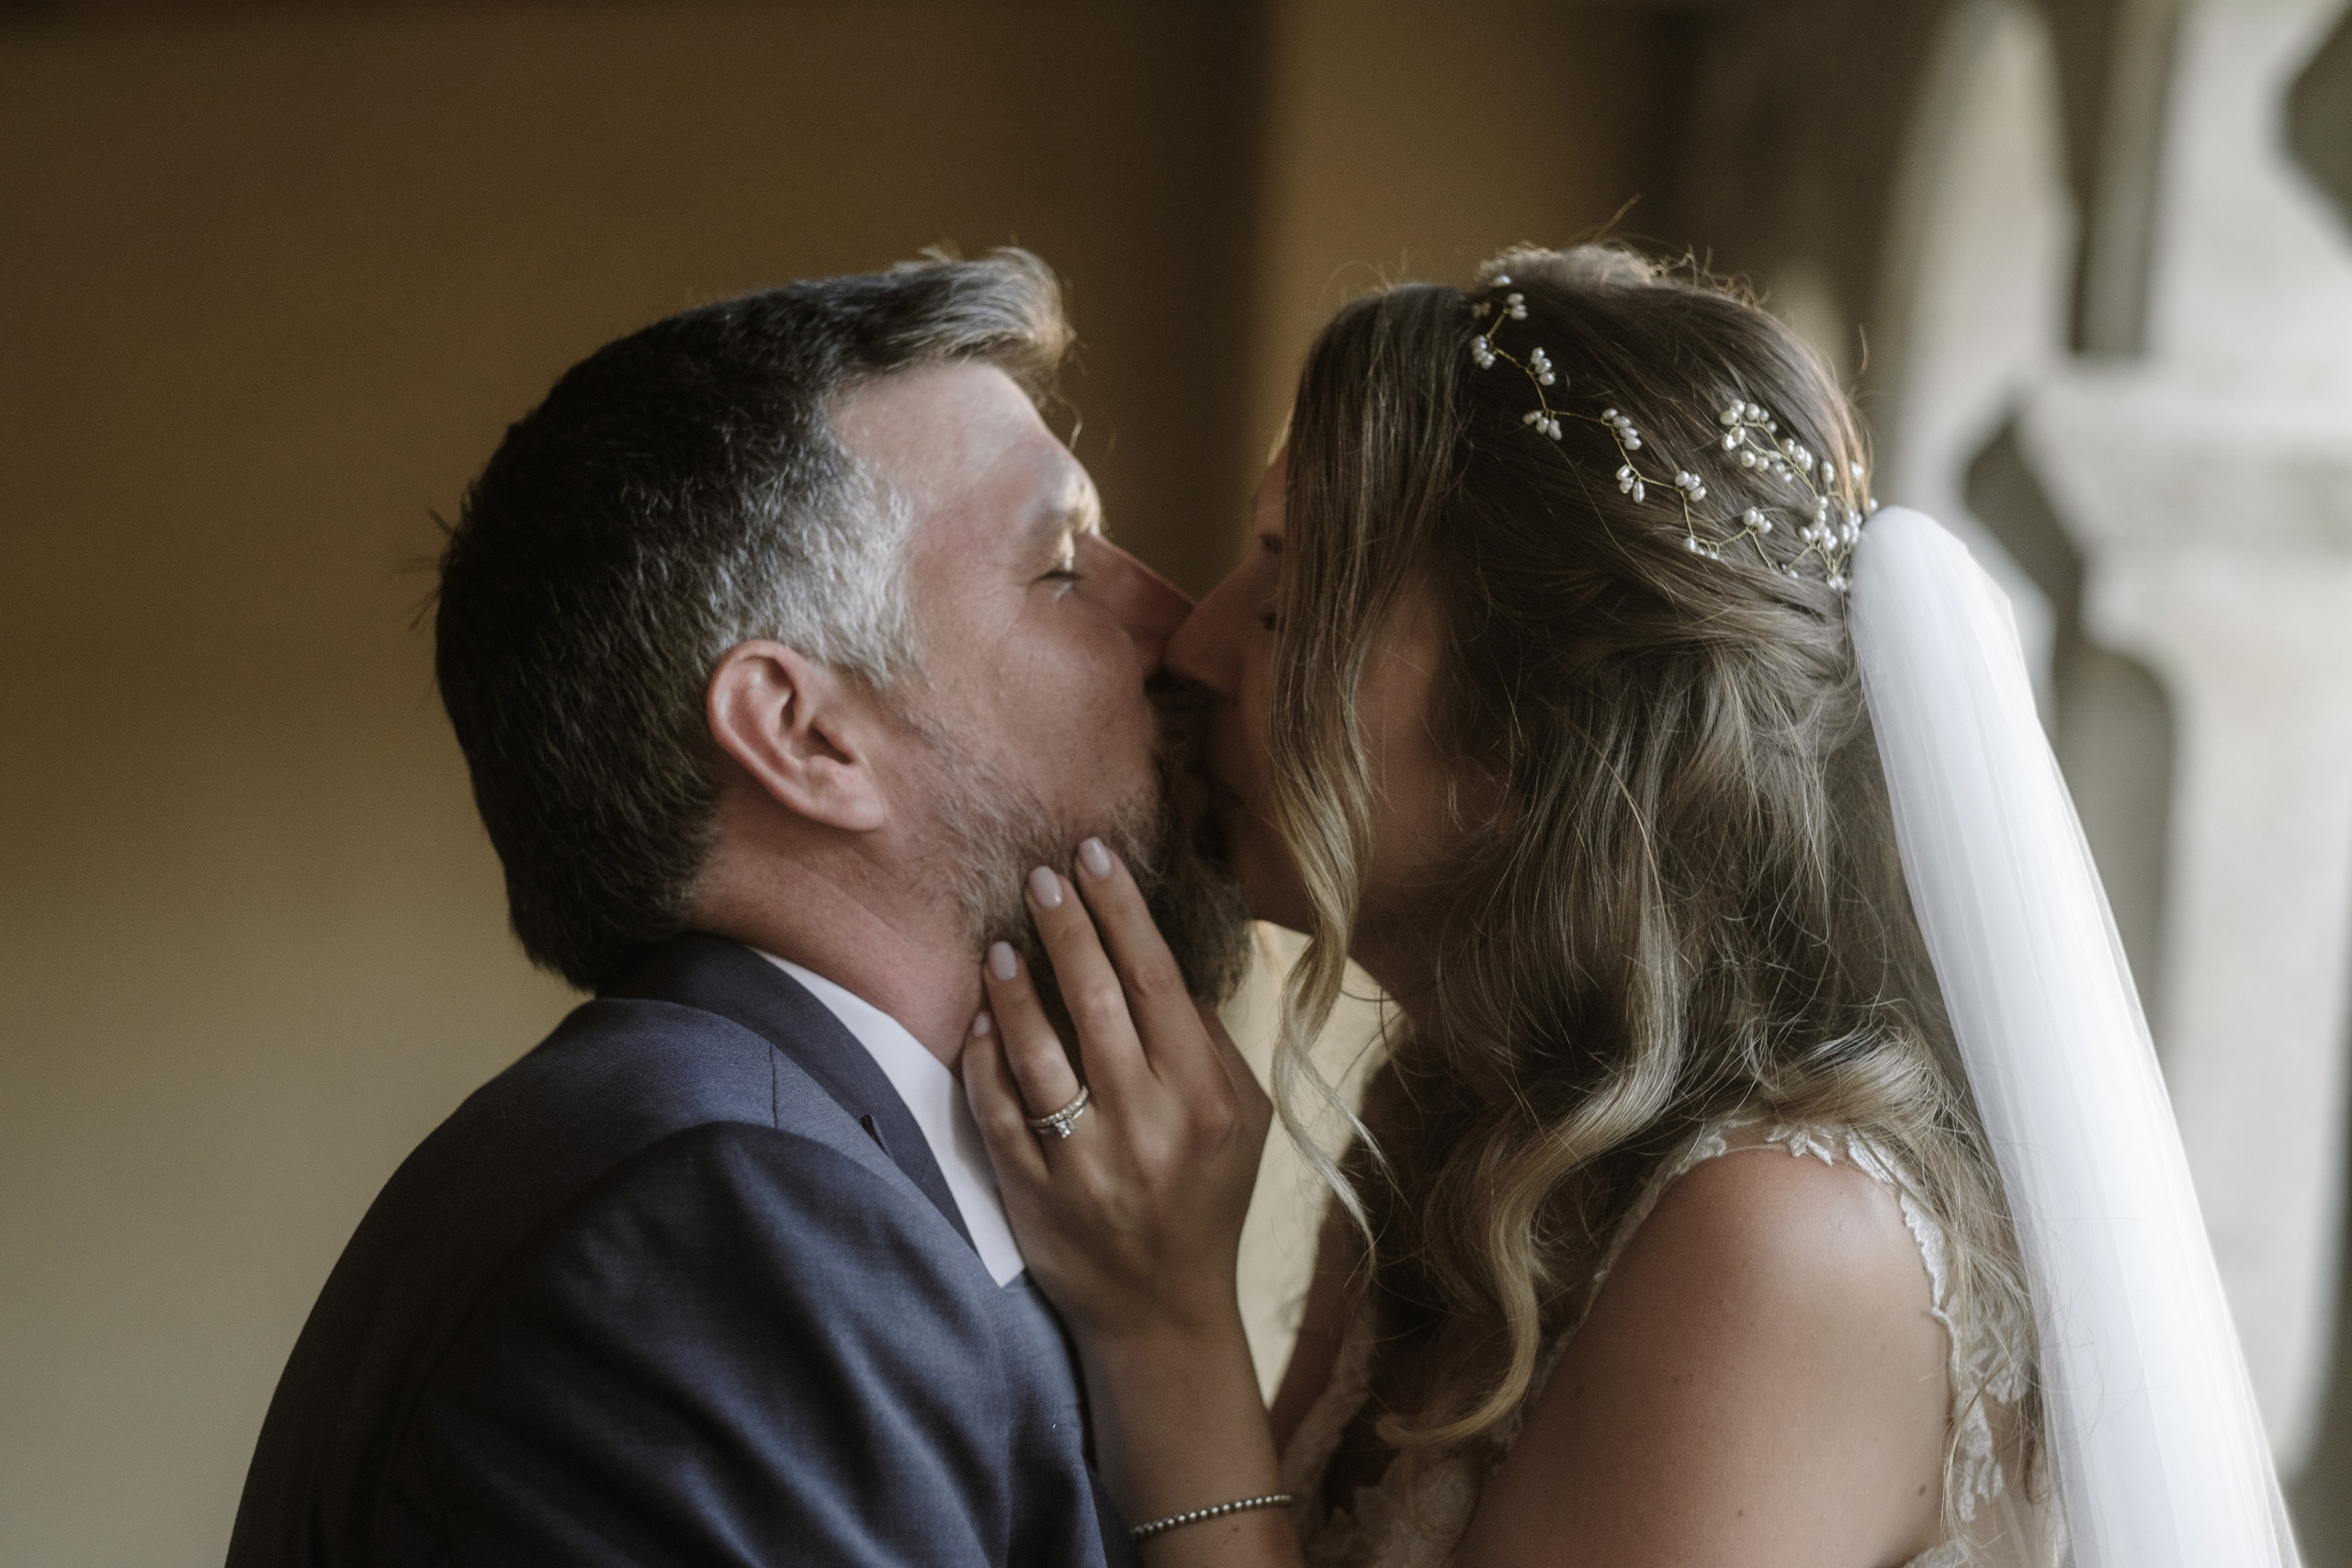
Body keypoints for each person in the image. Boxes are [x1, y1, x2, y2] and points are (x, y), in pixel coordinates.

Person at [963, 244, 2301, 1567]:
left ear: (1544, 721)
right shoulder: (1447, 1123)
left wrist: (1167, 1330)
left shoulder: (1784, 1241)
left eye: (1291, 595)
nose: (1194, 643)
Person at [225, 250, 1250, 1567]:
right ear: (804, 735)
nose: (1176, 621)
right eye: (1060, 565)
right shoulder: (733, 1221)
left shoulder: (796, 1171)